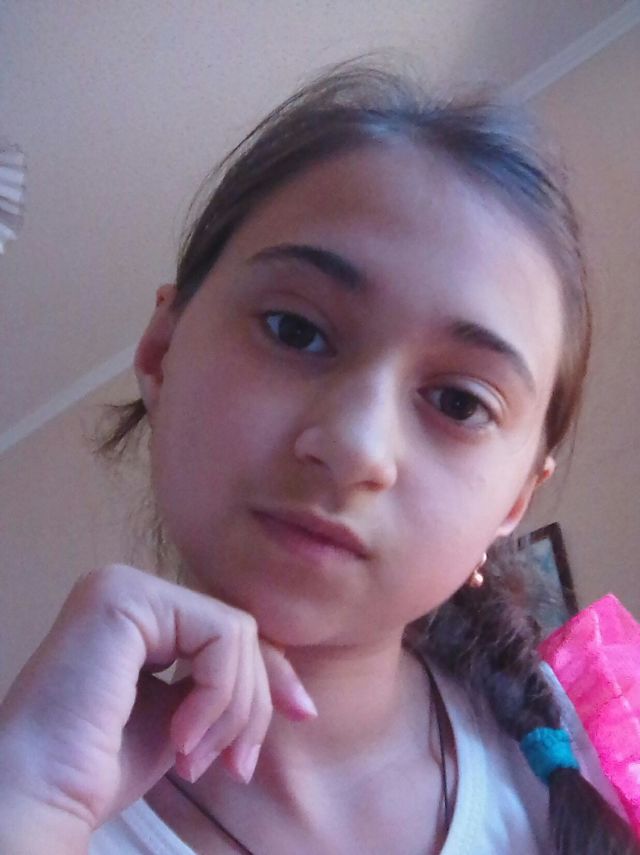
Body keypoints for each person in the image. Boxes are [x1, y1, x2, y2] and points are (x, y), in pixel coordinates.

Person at [0, 58, 637, 855]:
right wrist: (24, 801)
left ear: (514, 500)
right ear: (162, 352)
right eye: (295, 330)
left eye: (459, 402)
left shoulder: (597, 750)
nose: (355, 446)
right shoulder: (42, 806)